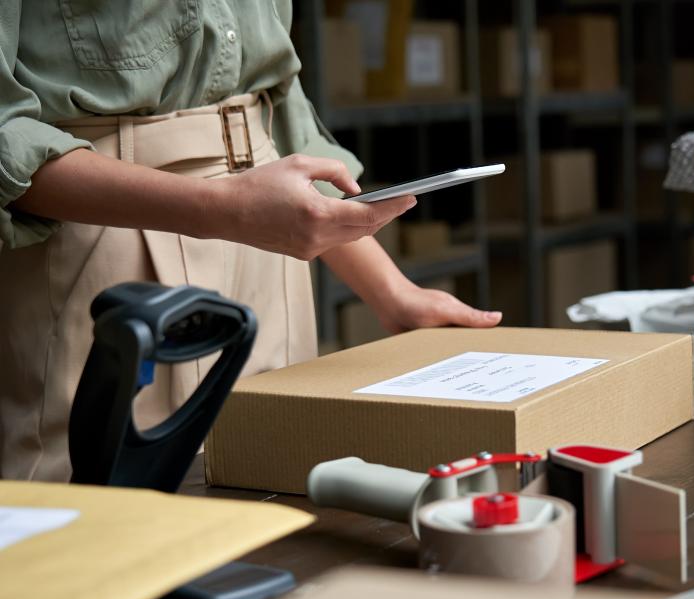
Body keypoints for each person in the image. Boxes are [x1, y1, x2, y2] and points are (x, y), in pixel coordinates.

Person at [0, 2, 502, 482]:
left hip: (268, 251)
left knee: (277, 487)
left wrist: (393, 293)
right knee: (108, 518)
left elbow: (282, 111)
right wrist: (229, 209)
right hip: (117, 235)